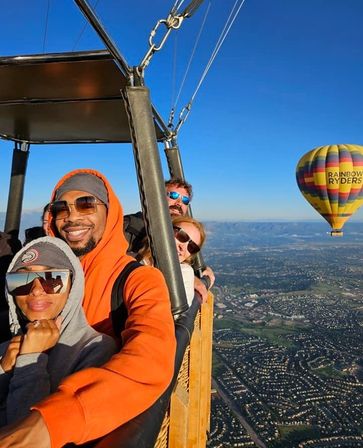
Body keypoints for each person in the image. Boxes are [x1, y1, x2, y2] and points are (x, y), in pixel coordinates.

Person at [0, 169, 176, 448]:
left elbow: (151, 356)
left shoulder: (138, 279)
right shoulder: (42, 270)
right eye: (60, 208)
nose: (71, 216)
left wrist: (55, 419)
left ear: (111, 212)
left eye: (86, 204)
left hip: (81, 427)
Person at [0, 236, 117, 425]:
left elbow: (30, 433)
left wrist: (32, 359)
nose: (36, 290)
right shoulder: (8, 348)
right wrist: (3, 370)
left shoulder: (95, 350)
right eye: (22, 280)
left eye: (53, 279)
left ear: (73, 286)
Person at [124, 178, 215, 301]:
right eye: (173, 195)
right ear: (158, 197)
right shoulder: (129, 226)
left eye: (185, 200)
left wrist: (202, 272)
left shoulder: (174, 235)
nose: (179, 202)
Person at [138, 215, 206, 306]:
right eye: (182, 236)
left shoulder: (184, 274)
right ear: (166, 230)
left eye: (192, 247)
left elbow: (174, 313)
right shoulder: (132, 260)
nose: (183, 247)